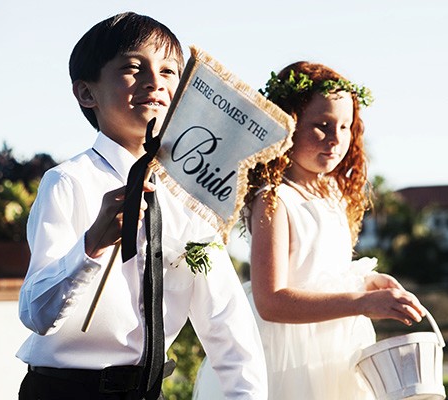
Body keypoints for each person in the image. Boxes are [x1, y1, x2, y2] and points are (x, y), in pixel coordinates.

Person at [17, 12, 266, 400]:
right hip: (65, 390)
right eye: (134, 68)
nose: (156, 82)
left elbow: (226, 322)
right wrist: (92, 245)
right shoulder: (68, 182)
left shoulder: (191, 194)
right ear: (87, 93)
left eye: (169, 71)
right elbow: (37, 314)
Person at [193, 62, 426, 400]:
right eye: (321, 125)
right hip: (287, 358)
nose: (335, 139)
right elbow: (270, 301)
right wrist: (362, 302)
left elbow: (321, 272)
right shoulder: (274, 199)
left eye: (345, 127)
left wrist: (367, 283)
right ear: (287, 125)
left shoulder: (332, 192)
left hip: (336, 351)